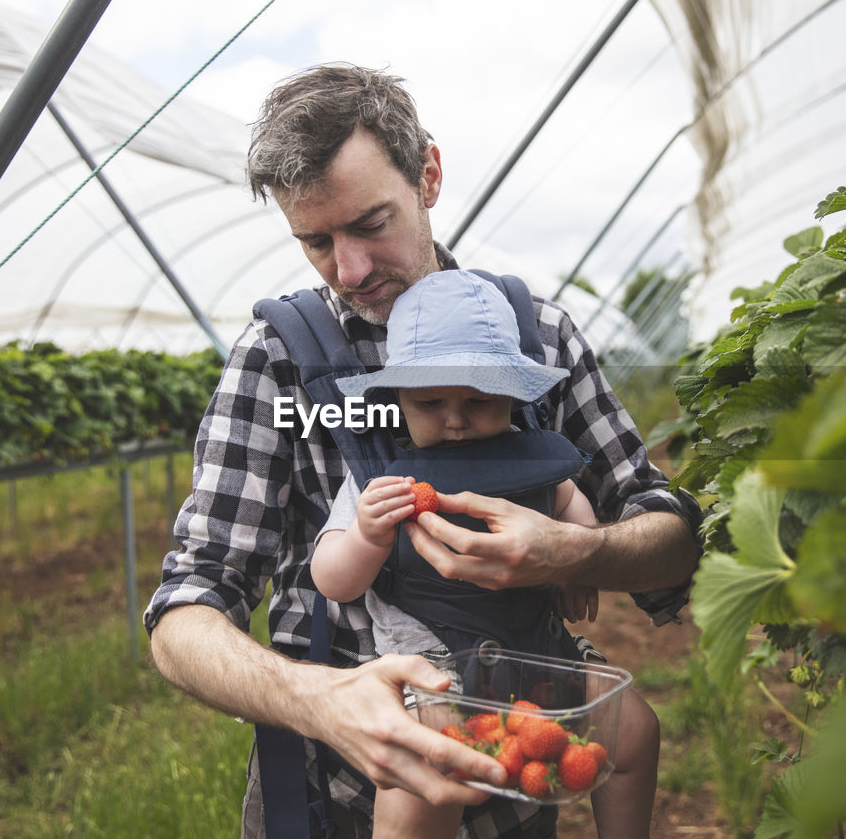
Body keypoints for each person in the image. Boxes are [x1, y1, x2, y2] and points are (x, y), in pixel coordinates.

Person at [145, 63, 702, 838]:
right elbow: (186, 608)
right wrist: (321, 700)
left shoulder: (535, 338)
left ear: (428, 175)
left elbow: (668, 535)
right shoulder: (280, 361)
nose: (350, 270)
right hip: (328, 796)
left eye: (371, 224)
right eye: (316, 242)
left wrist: (575, 552)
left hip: (513, 770)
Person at [313, 269, 661, 839]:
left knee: (636, 732)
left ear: (514, 392)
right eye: (430, 403)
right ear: (396, 399)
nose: (454, 418)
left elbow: (572, 507)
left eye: (477, 401)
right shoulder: (382, 482)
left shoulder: (539, 459)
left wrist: (577, 557)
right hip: (433, 667)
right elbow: (333, 581)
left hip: (539, 651)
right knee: (427, 772)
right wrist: (367, 537)